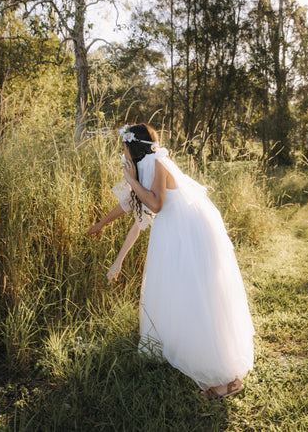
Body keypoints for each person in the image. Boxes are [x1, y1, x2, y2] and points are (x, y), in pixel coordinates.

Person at [87, 123, 255, 399]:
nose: (123, 152)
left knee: (196, 299)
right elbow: (133, 206)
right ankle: (214, 368)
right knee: (181, 296)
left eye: (124, 147)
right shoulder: (144, 167)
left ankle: (222, 381)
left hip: (188, 233)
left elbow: (154, 204)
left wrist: (131, 181)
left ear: (133, 146)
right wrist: (101, 226)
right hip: (175, 232)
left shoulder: (158, 163)